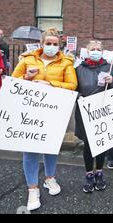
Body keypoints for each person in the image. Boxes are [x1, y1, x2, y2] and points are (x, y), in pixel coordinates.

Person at [11, 28, 78, 211]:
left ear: (60, 45)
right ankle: (32, 188)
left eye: (55, 44)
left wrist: (50, 84)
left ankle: (50, 178)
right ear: (41, 44)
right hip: (30, 111)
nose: (51, 47)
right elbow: (12, 81)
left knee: (51, 146)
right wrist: (27, 77)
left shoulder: (66, 62)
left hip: (54, 112)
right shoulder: (27, 59)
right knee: (30, 149)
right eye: (48, 43)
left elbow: (72, 85)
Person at [74, 40, 113, 192]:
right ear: (87, 51)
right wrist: (78, 96)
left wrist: (112, 82)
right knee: (88, 145)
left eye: (98, 49)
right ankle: (89, 175)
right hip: (86, 111)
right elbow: (72, 88)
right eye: (92, 49)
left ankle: (99, 172)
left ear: (102, 51)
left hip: (104, 112)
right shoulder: (79, 69)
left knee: (102, 143)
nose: (95, 51)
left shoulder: (109, 67)